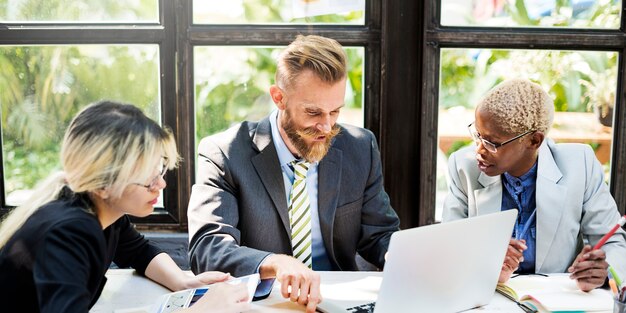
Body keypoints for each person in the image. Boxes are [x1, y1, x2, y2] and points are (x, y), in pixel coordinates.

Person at [188, 35, 400, 312]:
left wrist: (405, 260)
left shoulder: (360, 147)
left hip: (342, 300)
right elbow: (208, 248)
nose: (326, 127)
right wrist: (274, 262)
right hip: (265, 303)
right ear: (279, 98)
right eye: (313, 113)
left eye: (334, 112)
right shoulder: (224, 153)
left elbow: (379, 234)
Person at [0, 101, 251, 313]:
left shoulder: (100, 211)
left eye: (159, 170)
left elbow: (138, 251)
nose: (161, 184)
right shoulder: (70, 232)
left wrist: (185, 282)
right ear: (103, 184)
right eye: (148, 177)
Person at [442, 78, 626, 291]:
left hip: (556, 299)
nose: (479, 150)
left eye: (492, 143)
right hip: (488, 296)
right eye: (478, 135)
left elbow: (613, 244)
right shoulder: (464, 166)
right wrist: (484, 259)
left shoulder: (579, 165)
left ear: (534, 141)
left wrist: (602, 273)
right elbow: (448, 246)